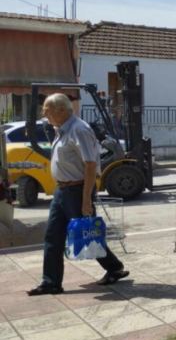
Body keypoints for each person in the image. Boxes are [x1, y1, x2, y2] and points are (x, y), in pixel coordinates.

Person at [28, 93, 129, 296]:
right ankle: (51, 282)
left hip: (77, 189)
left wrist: (85, 201)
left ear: (62, 110)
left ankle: (114, 267)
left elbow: (91, 165)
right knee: (53, 236)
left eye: (47, 110)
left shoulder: (79, 130)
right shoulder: (61, 129)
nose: (43, 114)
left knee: (86, 234)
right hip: (62, 190)